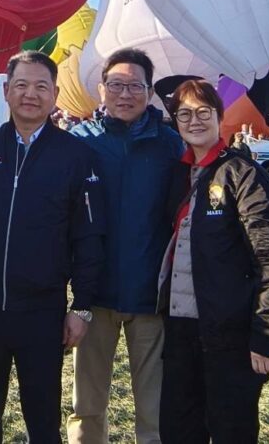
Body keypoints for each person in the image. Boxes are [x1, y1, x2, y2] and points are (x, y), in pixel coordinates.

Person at [0, 50, 105, 444]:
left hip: (42, 314)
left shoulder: (77, 156)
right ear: (6, 91)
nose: (31, 94)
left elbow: (88, 237)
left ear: (55, 94)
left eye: (42, 86)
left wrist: (82, 306)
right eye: (21, 85)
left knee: (42, 419)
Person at [158, 77, 269, 444]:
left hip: (228, 332)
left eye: (203, 112)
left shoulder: (243, 174)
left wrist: (264, 334)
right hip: (179, 329)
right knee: (178, 429)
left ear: (219, 117)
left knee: (231, 429)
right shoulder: (178, 174)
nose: (194, 120)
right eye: (184, 113)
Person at [67, 48, 182, 444]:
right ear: (101, 90)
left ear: (149, 92)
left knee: (154, 407)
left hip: (149, 297)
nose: (125, 94)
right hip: (94, 296)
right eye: (116, 84)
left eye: (135, 86)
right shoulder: (79, 143)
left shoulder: (171, 146)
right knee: (86, 405)